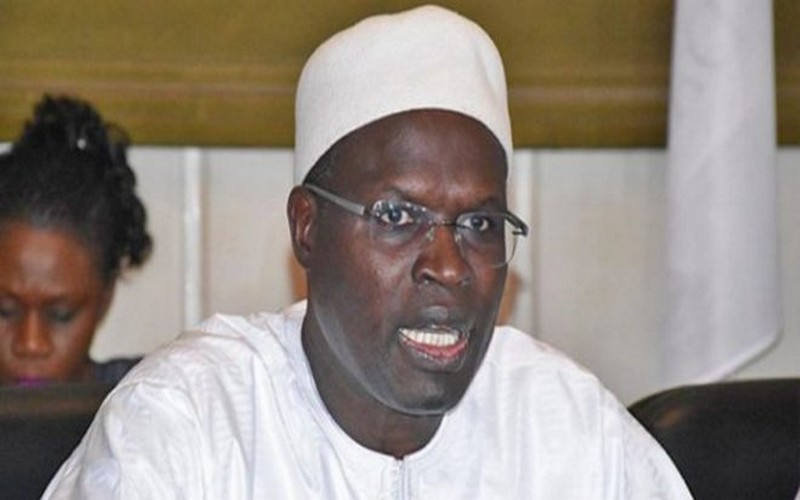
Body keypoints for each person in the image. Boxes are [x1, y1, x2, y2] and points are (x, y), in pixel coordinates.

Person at [44, 5, 691, 498]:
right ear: (307, 228)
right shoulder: (189, 425)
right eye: (398, 217)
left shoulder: (568, 431)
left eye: (480, 223)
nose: (448, 266)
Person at [0, 95, 152, 386]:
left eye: (61, 315)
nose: (31, 343)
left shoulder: (157, 396)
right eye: (4, 310)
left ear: (105, 297)